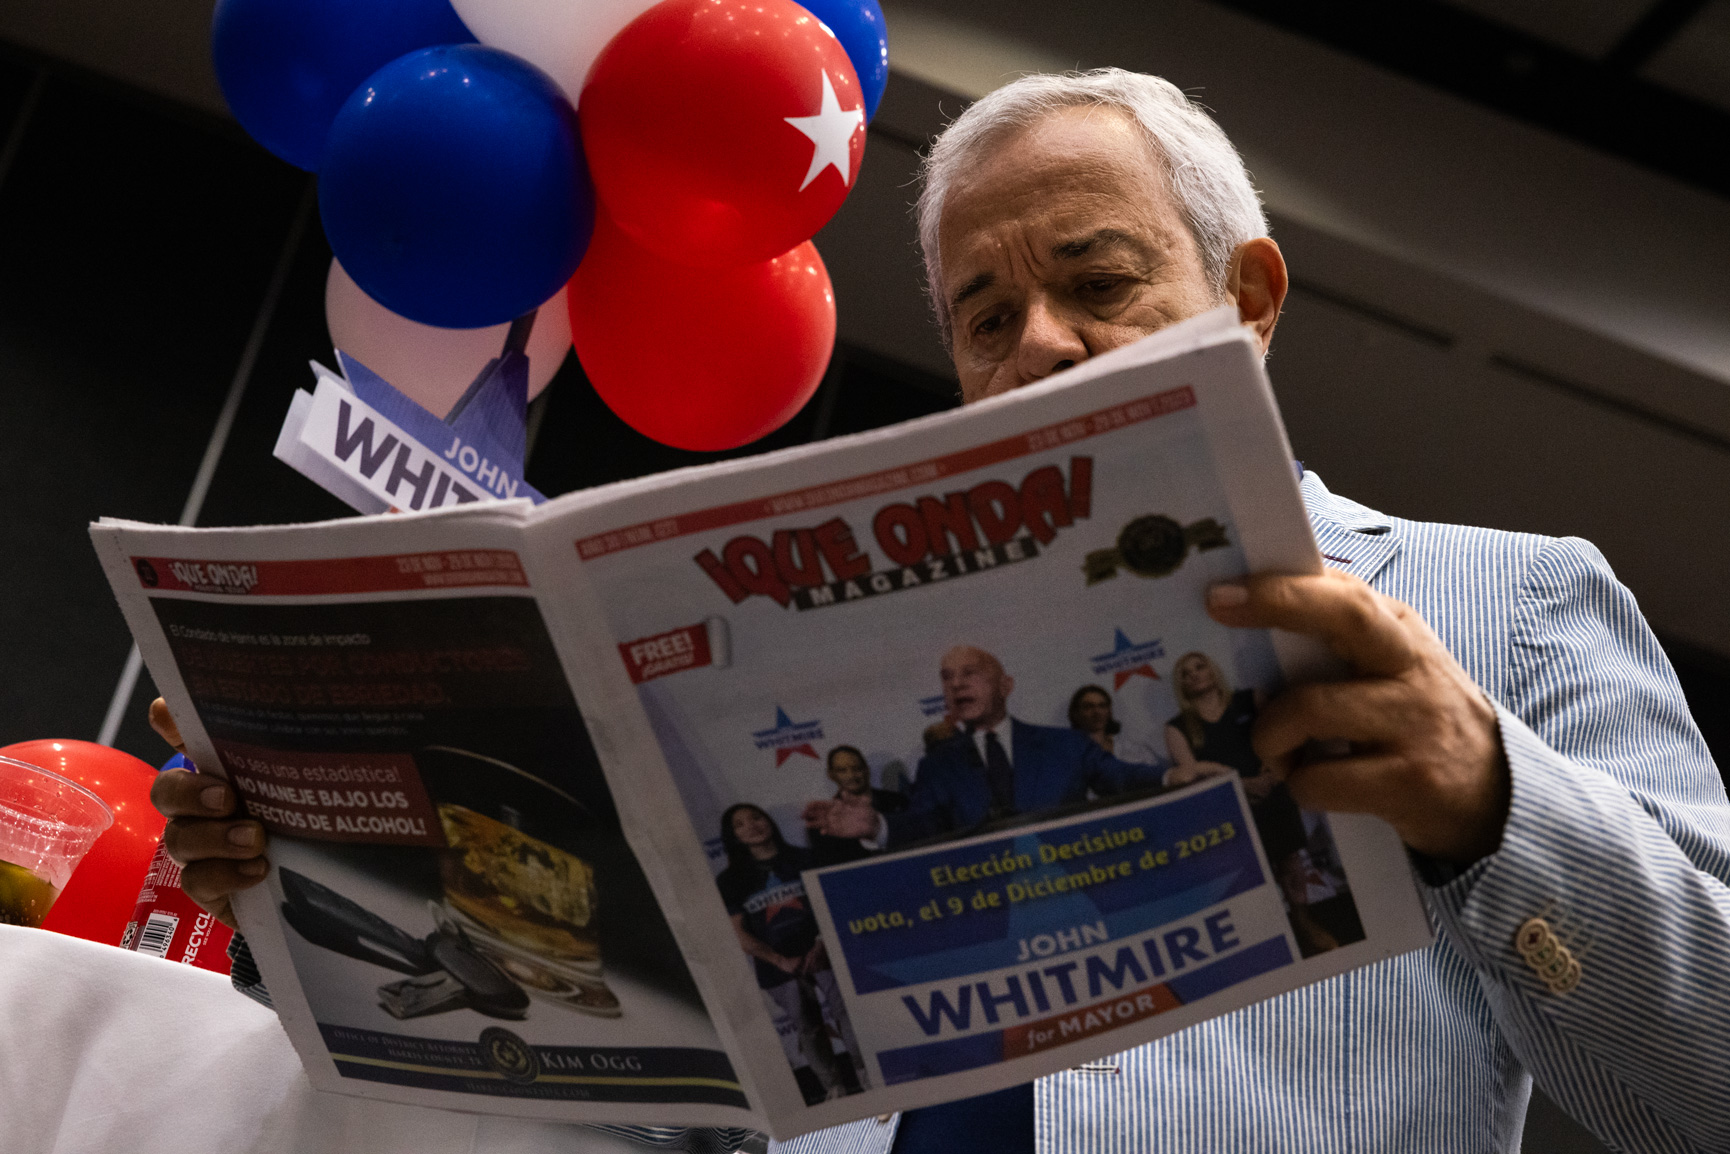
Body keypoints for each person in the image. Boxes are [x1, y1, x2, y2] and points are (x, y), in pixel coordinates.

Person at [149, 67, 1730, 1154]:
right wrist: (336, 879)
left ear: (1245, 300)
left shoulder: (1503, 600)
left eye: (1099, 281)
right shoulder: (825, 673)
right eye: (987, 315)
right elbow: (642, 1101)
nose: (1038, 344)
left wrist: (1494, 809)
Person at [803, 646, 1167, 848]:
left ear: (1006, 685)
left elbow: (1121, 778)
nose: (957, 684)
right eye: (947, 679)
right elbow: (923, 825)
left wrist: (1174, 775)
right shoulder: (938, 766)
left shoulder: (1065, 744)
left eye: (970, 673)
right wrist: (876, 825)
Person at [1163, 650, 1361, 956]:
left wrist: (1271, 772)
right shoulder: (1176, 727)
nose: (1193, 675)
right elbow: (1188, 773)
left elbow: (1283, 741)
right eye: (1185, 673)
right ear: (1181, 685)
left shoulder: (1251, 699)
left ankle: (1303, 922)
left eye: (1199, 666)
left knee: (1290, 861)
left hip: (1272, 791)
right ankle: (1264, 935)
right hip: (1226, 805)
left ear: (1213, 670)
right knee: (1246, 871)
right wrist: (1240, 785)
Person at [714, 804, 866, 1105]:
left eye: (756, 817)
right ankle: (833, 1087)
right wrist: (780, 961)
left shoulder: (805, 858)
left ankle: (867, 1077)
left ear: (769, 820)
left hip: (825, 953)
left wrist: (822, 944)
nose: (752, 826)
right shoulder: (731, 880)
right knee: (808, 1029)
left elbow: (832, 905)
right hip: (777, 967)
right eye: (741, 824)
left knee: (849, 1016)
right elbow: (738, 933)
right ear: (734, 836)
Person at [806, 746, 908, 868]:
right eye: (842, 770)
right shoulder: (825, 822)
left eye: (857, 768)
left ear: (866, 770)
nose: (851, 775)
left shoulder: (898, 801)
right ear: (831, 775)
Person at [1065, 683, 1162, 765]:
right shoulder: (1071, 757)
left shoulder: (1134, 749)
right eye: (1089, 707)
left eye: (1102, 706)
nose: (1097, 712)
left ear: (1109, 712)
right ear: (1076, 713)